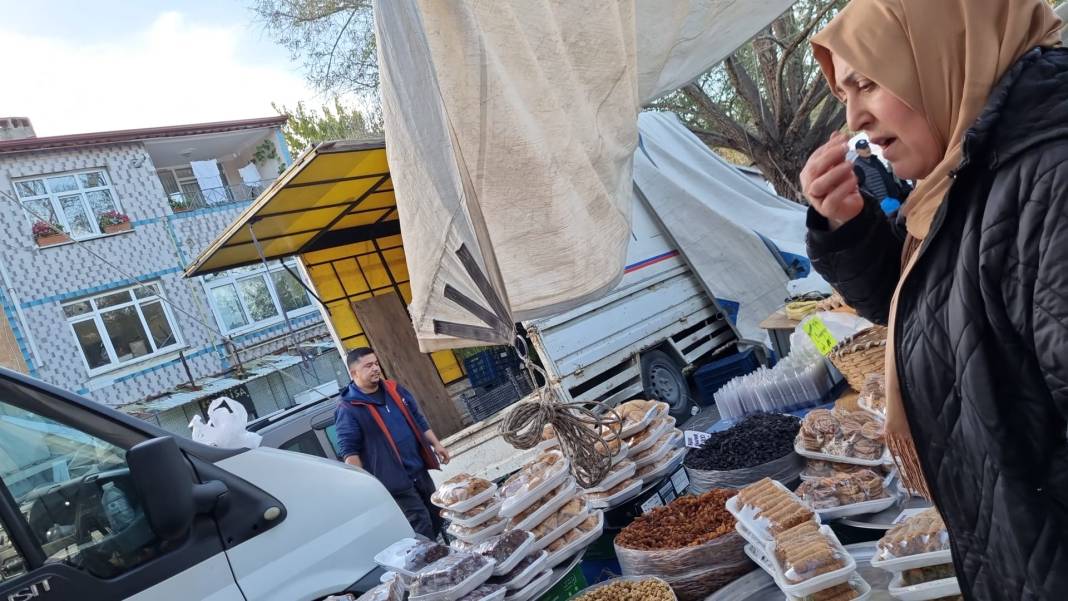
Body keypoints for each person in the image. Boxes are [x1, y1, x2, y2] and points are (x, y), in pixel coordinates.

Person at [799, 0, 1068, 599]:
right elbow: (935, 310)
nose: (855, 117)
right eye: (844, 92)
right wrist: (847, 227)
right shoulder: (967, 175)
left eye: (868, 82)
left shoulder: (1050, 181)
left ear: (945, 51)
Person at [334, 347, 451, 539]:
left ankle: (449, 560)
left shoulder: (394, 390)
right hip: (393, 481)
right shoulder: (348, 408)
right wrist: (363, 486)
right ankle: (431, 565)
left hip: (418, 469)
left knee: (437, 514)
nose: (375, 368)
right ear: (354, 373)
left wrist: (437, 445)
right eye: (368, 366)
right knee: (421, 526)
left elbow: (417, 419)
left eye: (376, 363)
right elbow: (350, 451)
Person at [851, 139, 910, 214]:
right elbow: (862, 190)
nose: (867, 149)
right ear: (857, 151)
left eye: (867, 146)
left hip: (894, 198)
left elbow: (885, 175)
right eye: (863, 148)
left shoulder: (874, 159)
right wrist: (877, 204)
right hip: (883, 206)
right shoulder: (857, 167)